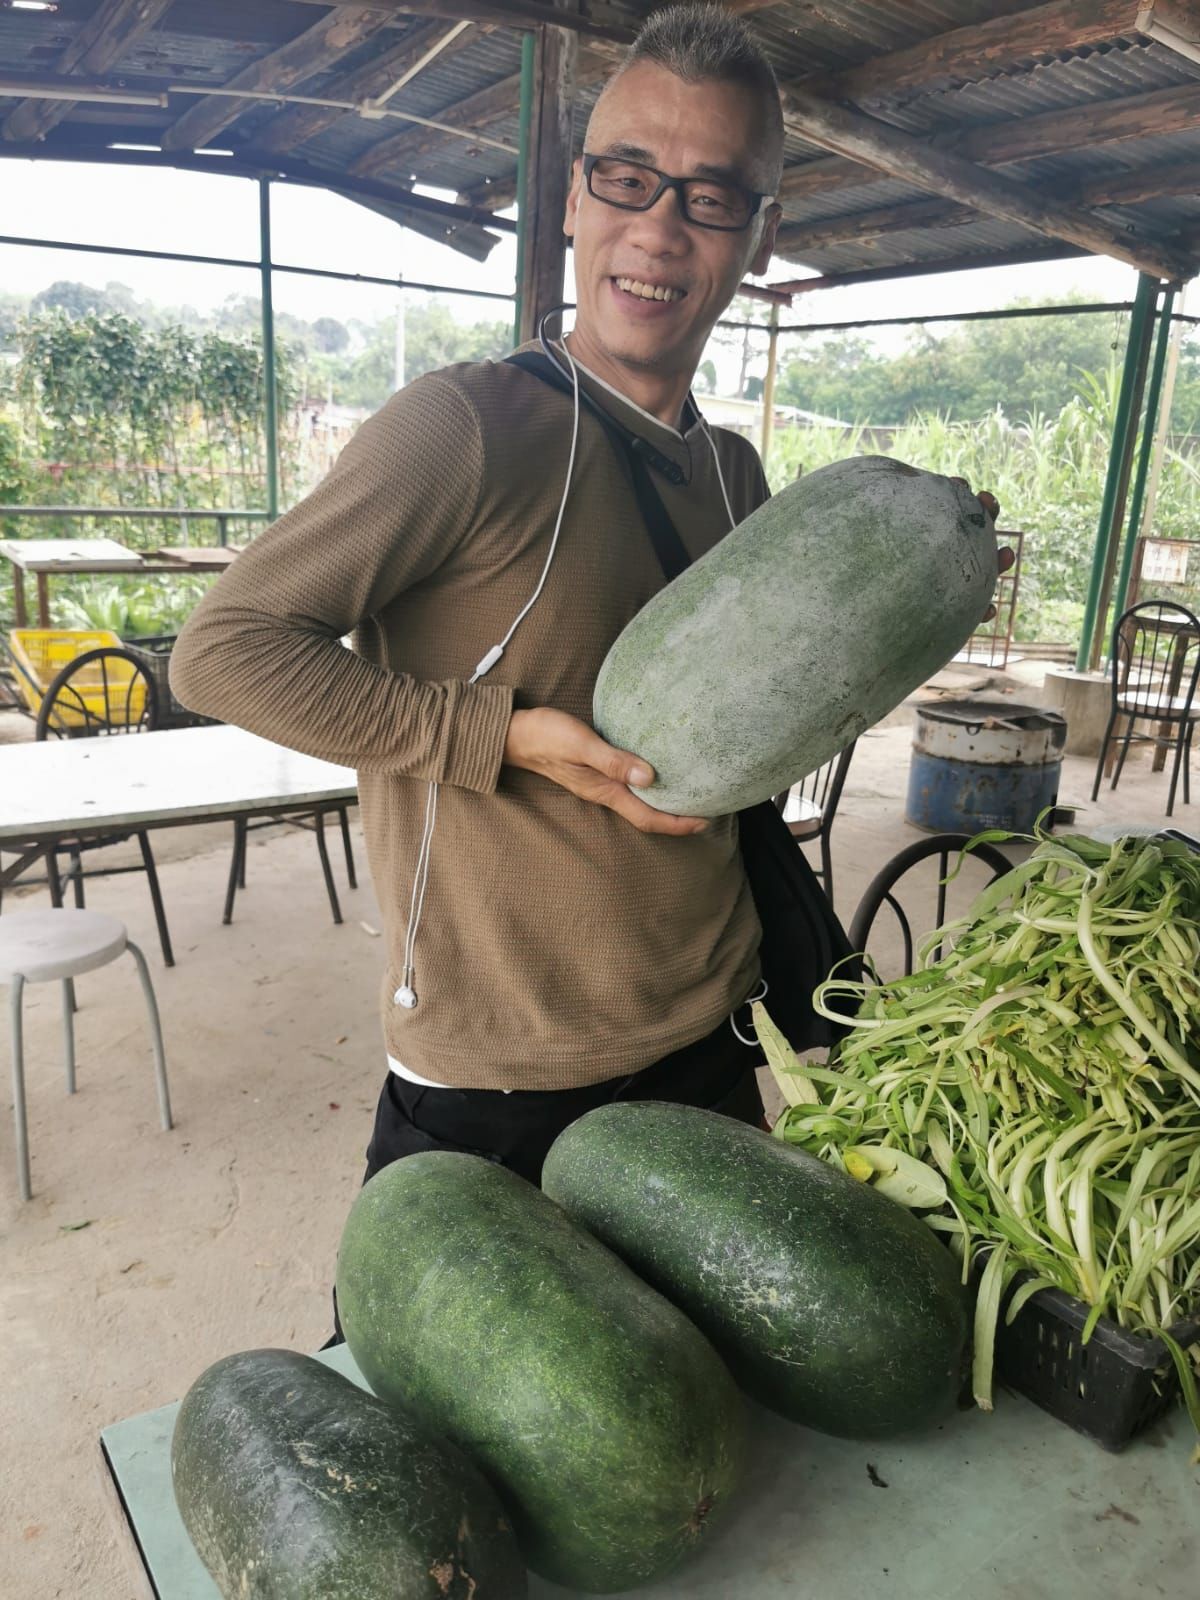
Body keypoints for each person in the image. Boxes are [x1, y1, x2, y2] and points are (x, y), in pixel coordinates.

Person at [170, 6, 1004, 1203]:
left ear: (758, 236)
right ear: (572, 199)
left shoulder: (740, 480)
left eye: (712, 196)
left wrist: (908, 612)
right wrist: (494, 735)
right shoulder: (466, 428)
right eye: (629, 179)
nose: (659, 227)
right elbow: (223, 653)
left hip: (716, 1036)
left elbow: (766, 723)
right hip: (496, 1070)